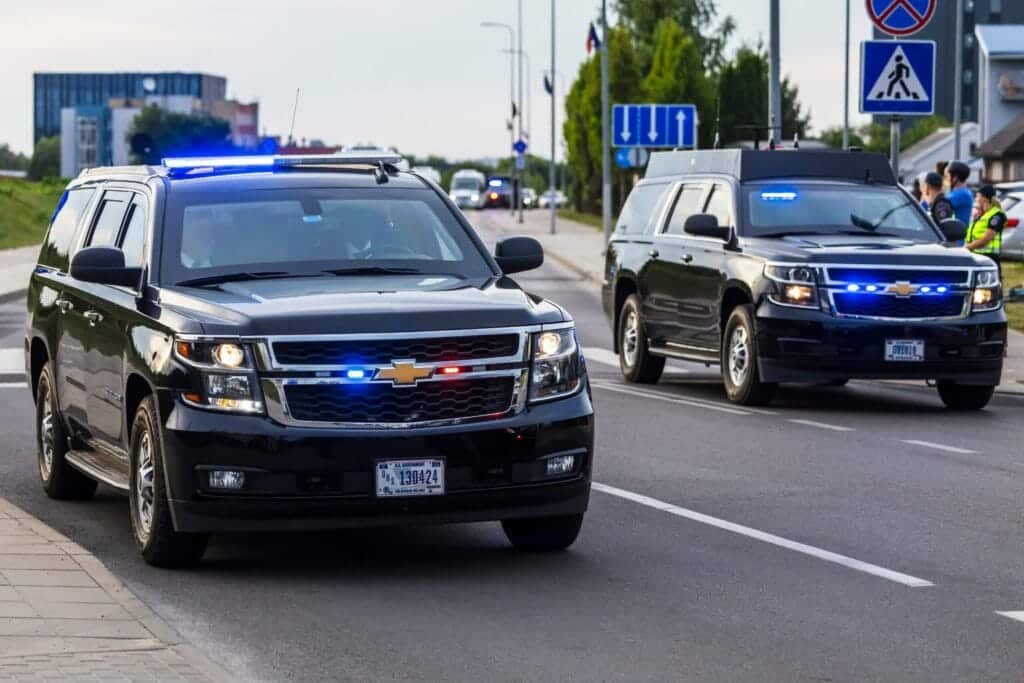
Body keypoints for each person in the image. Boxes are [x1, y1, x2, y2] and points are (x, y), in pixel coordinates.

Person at [965, 185, 1006, 272]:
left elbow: (985, 239)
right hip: (975, 256)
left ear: (984, 198)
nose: (976, 199)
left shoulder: (996, 216)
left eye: (977, 196)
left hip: (989, 258)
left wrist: (966, 248)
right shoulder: (981, 215)